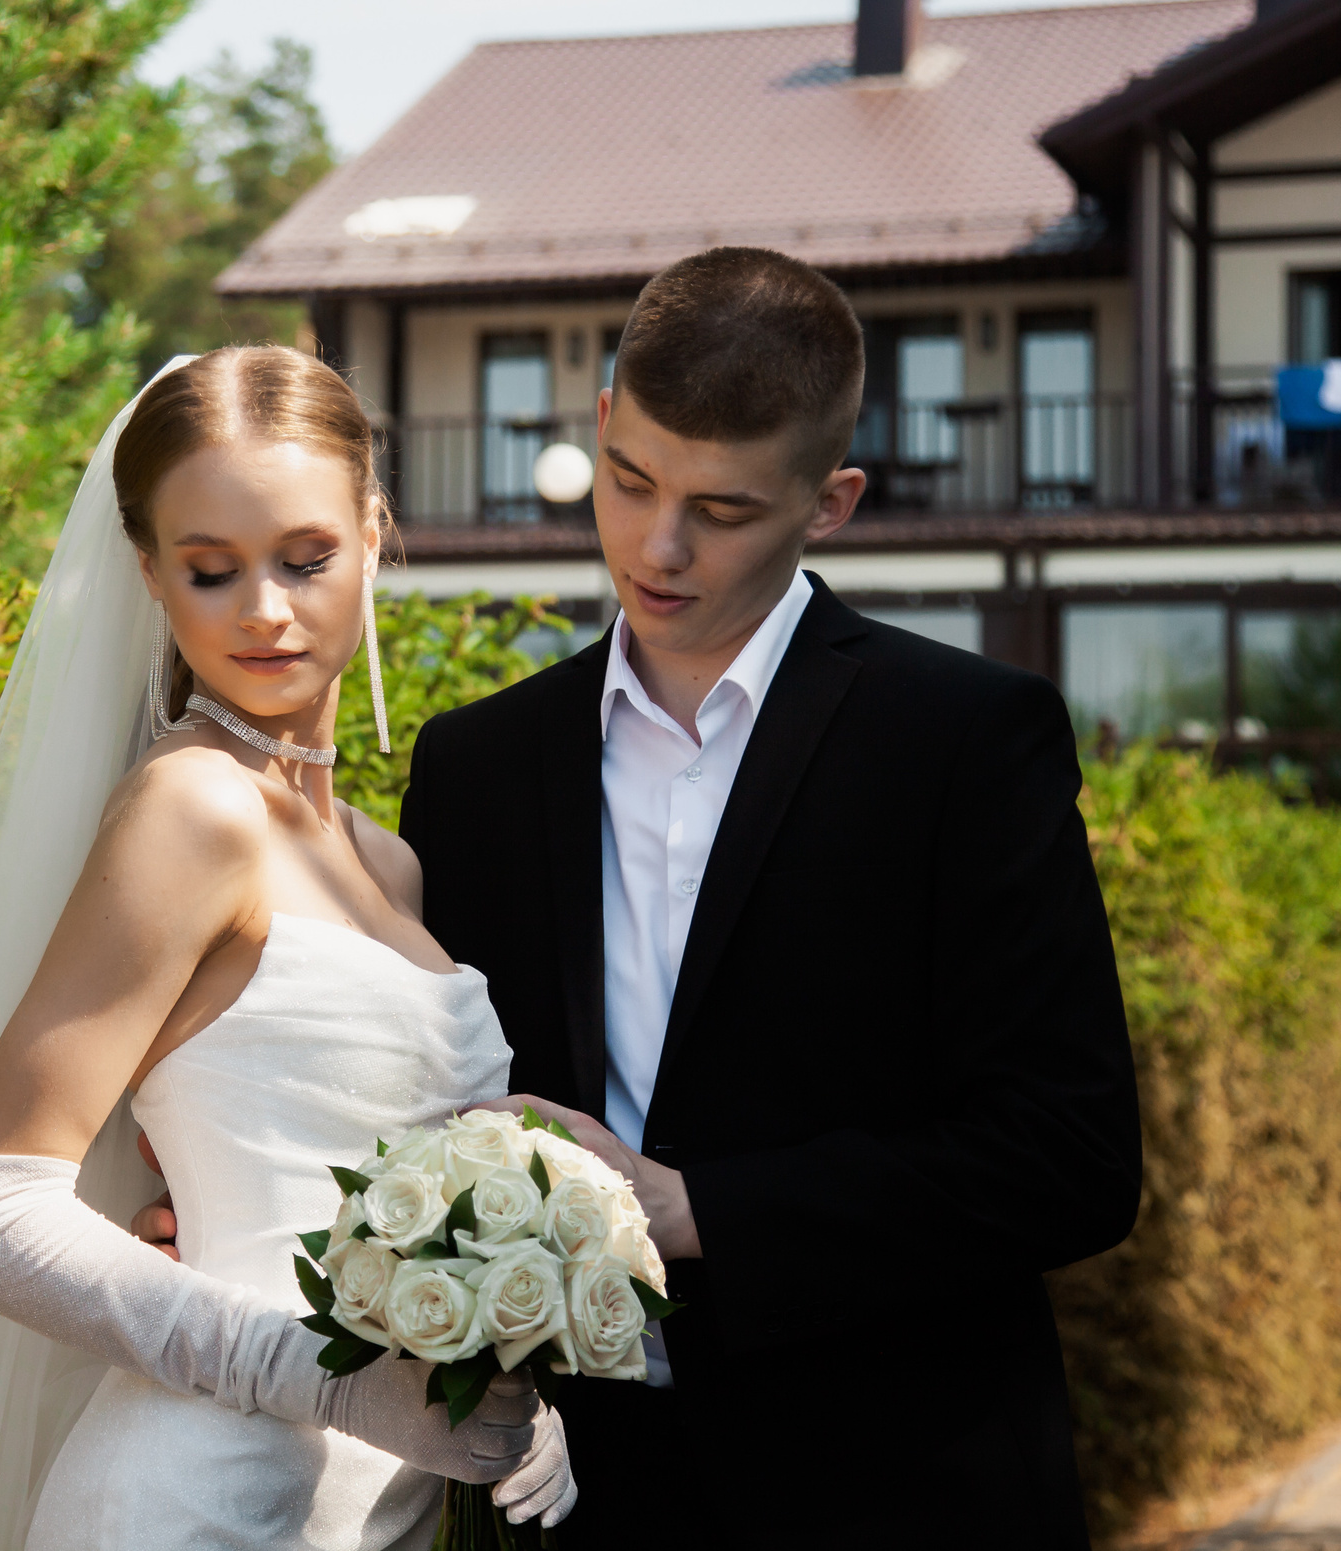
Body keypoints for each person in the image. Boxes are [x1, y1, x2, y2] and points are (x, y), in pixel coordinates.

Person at [403, 248, 1144, 1547]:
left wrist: (699, 1208)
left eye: (724, 508)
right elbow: (430, 1108)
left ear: (833, 498)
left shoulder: (969, 739)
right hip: (580, 1506)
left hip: (900, 1493)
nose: (659, 542)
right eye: (629, 480)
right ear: (597, 428)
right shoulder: (474, 765)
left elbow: (1071, 1160)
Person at [0, 346, 574, 1550]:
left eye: (305, 559)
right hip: (194, 1500)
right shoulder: (191, 813)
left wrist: (510, 1384)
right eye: (212, 571)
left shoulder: (388, 862)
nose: (264, 609)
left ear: (374, 533)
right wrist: (330, 1382)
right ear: (150, 575)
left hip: (384, 1512)